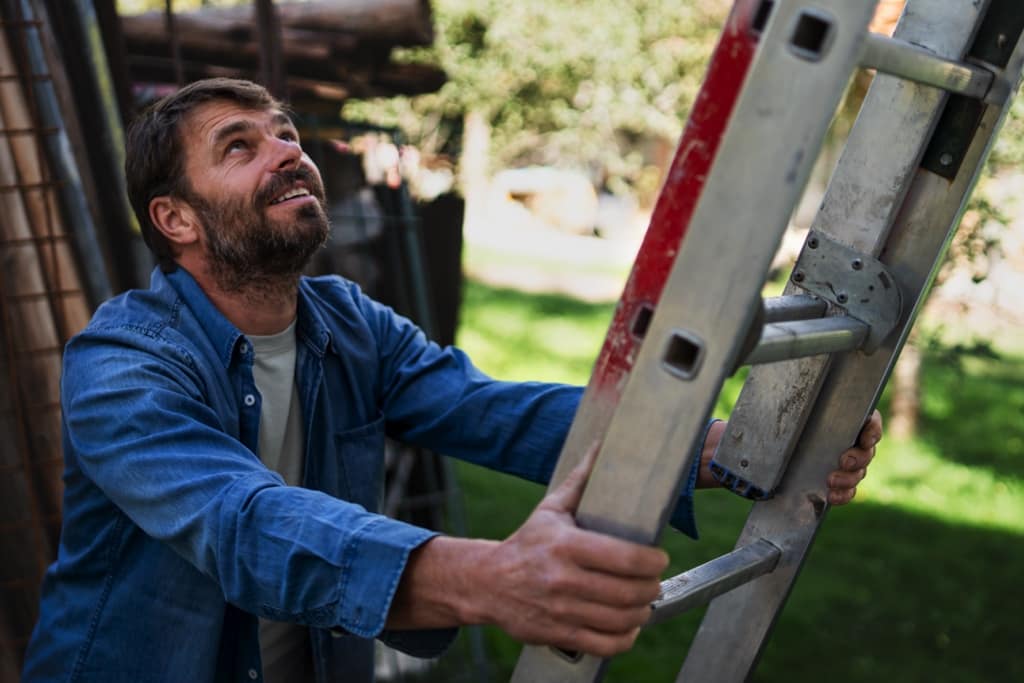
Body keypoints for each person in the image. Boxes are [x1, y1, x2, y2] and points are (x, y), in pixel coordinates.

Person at [22, 79, 881, 683]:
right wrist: (491, 576)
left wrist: (724, 449)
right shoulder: (123, 364)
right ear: (175, 218)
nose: (285, 151)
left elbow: (490, 411)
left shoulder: (345, 319)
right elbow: (241, 523)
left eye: (283, 131)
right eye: (239, 147)